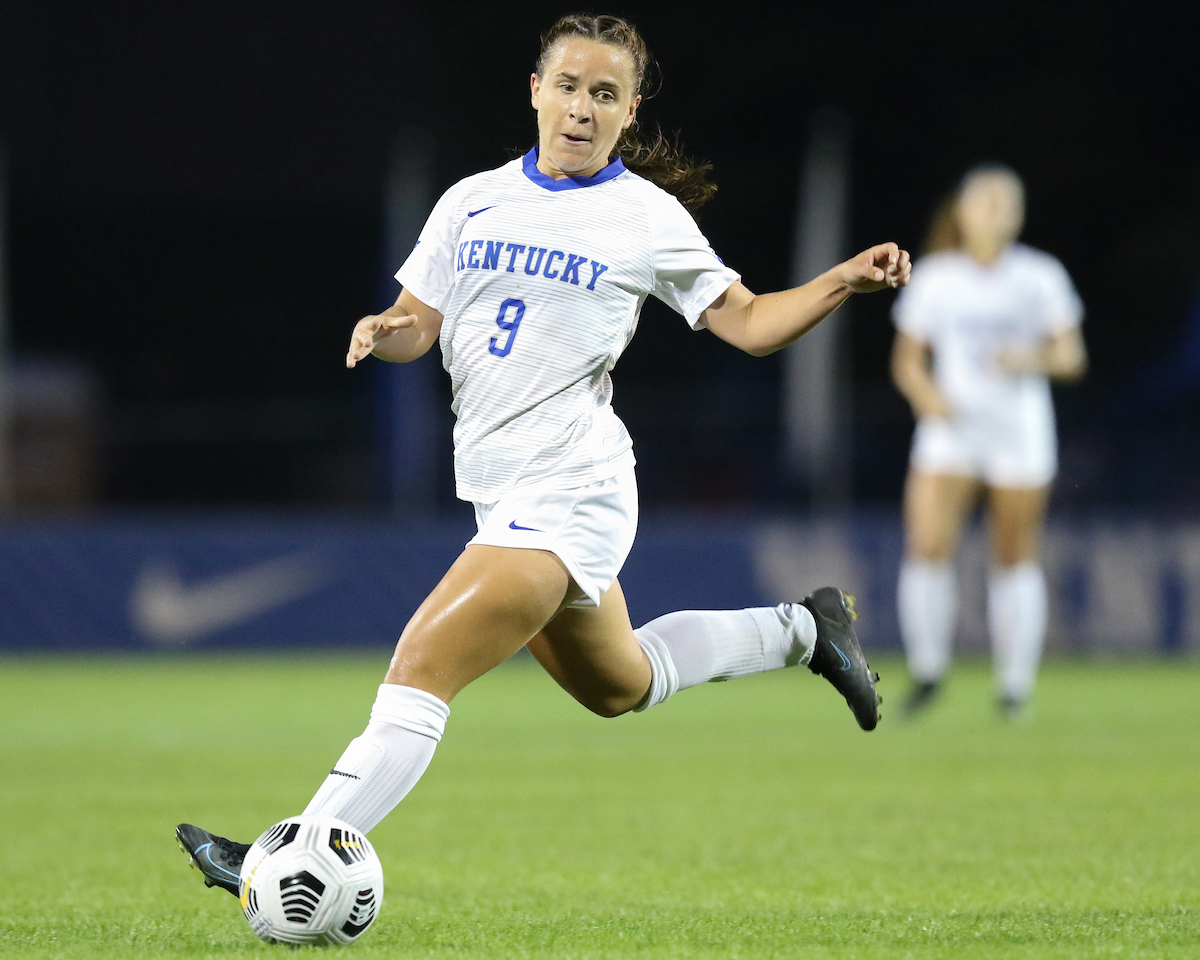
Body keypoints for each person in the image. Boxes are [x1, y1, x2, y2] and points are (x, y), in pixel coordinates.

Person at [176, 13, 910, 894]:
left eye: (604, 94)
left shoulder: (645, 216)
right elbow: (424, 323)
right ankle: (808, 630)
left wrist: (840, 280)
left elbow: (748, 323)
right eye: (567, 86)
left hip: (573, 487)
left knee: (421, 665)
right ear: (535, 91)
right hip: (499, 490)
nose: (581, 108)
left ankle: (282, 859)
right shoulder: (471, 200)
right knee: (622, 684)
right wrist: (389, 328)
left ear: (629, 112)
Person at [890, 165, 1086, 718]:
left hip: (1018, 430)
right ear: (963, 211)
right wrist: (927, 397)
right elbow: (908, 361)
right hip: (951, 431)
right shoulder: (936, 278)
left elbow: (1071, 355)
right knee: (927, 546)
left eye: (1008, 202)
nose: (997, 211)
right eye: (987, 201)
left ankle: (1014, 686)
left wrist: (1034, 358)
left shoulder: (1039, 276)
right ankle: (928, 673)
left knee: (1014, 554)